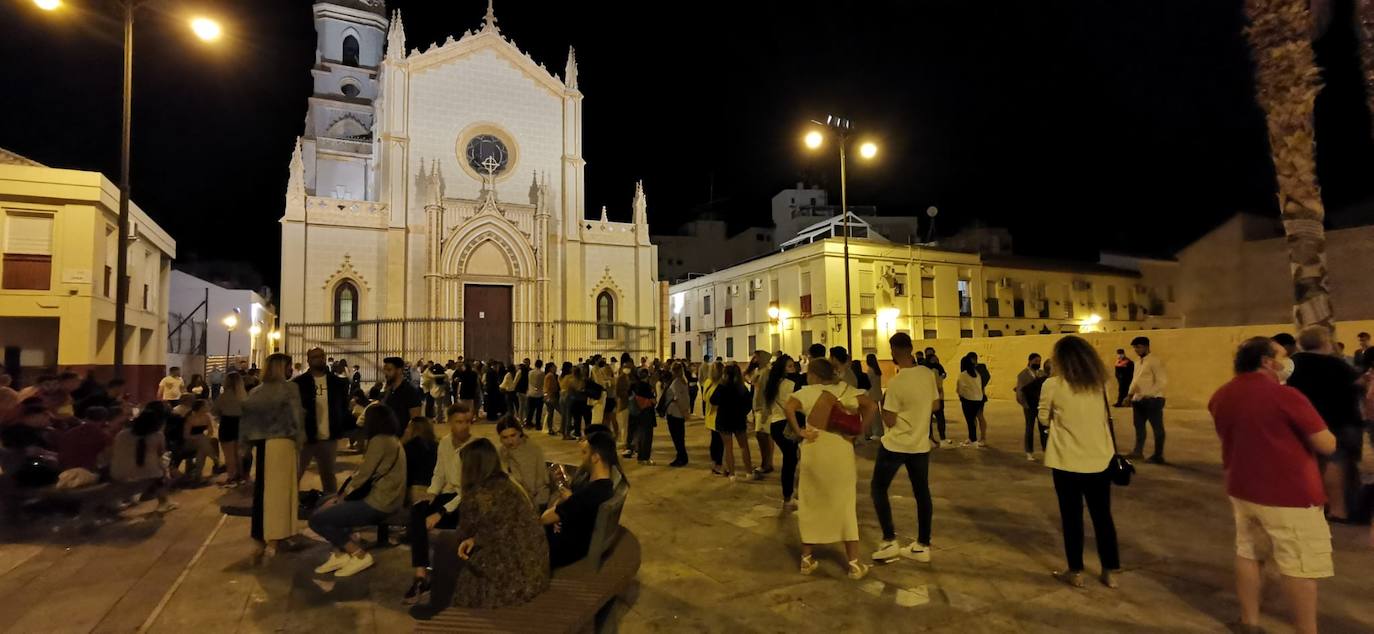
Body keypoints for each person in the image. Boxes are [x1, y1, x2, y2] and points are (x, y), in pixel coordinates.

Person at [1210, 337, 1336, 634]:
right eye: (1282, 355)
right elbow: (1327, 444)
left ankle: (1249, 622)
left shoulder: (1221, 395)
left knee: (1249, 553)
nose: (1286, 360)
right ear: (1267, 361)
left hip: (1242, 488)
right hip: (1290, 494)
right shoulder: (1286, 396)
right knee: (1299, 567)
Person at [417, 437, 553, 610]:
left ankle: (437, 605)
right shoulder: (512, 484)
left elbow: (463, 534)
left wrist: (469, 538)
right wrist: (476, 539)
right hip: (536, 568)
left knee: (446, 544)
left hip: (514, 579)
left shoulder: (476, 495)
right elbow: (505, 526)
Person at [1038, 336, 1120, 589]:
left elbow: (1042, 419)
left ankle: (1076, 571)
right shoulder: (1102, 385)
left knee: (1071, 517)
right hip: (1099, 459)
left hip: (1066, 461)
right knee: (1102, 516)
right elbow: (1109, 416)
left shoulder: (1053, 385)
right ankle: (1110, 571)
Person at [785, 359, 877, 580]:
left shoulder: (807, 391)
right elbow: (872, 406)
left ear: (814, 375)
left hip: (814, 451)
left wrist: (800, 431)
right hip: (840, 451)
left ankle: (807, 559)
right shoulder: (847, 390)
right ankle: (854, 564)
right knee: (845, 503)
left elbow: (789, 407)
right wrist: (858, 432)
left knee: (811, 503)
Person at [310, 405, 407, 578]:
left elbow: (362, 476)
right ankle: (339, 554)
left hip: (379, 503)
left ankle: (358, 554)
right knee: (322, 502)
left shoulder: (380, 441)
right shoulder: (392, 439)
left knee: (317, 520)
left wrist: (340, 499)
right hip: (386, 498)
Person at [871, 333, 939, 563]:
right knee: (922, 493)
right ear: (911, 349)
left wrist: (883, 407)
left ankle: (889, 540)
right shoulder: (927, 374)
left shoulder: (897, 383)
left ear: (893, 351)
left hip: (896, 444)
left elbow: (889, 420)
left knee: (878, 488)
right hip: (920, 444)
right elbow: (936, 404)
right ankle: (922, 545)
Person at [1284, 325, 1363, 523]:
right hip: (1340, 421)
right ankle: (1339, 509)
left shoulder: (1291, 364)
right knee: (1336, 463)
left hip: (1305, 421)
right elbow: (1358, 385)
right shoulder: (1337, 364)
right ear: (1325, 342)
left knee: (1313, 463)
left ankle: (1319, 504)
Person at [404, 403, 473, 604]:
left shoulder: (476, 445)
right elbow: (439, 473)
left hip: (466, 500)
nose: (465, 426)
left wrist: (440, 512)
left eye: (468, 421)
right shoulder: (444, 443)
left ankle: (431, 576)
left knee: (430, 514)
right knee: (418, 509)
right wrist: (431, 494)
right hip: (448, 495)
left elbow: (468, 490)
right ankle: (420, 574)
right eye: (459, 422)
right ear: (450, 423)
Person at [240, 353, 305, 559]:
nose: (290, 370)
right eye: (287, 366)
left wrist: (246, 446)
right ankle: (278, 537)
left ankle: (262, 535)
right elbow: (297, 417)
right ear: (281, 367)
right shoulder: (290, 388)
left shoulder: (256, 392)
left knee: (264, 490)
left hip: (262, 445)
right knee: (282, 493)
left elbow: (247, 421)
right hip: (283, 443)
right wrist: (300, 439)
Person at [541, 431, 620, 568]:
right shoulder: (604, 485)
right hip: (576, 539)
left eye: (584, 453)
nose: (581, 457)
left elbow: (545, 518)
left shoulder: (590, 493)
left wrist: (557, 514)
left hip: (564, 550)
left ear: (595, 457)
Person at [293, 347, 352, 495]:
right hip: (306, 437)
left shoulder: (337, 383)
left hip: (328, 437)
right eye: (315, 356)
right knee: (295, 474)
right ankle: (290, 504)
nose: (319, 359)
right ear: (308, 360)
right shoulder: (299, 383)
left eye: (321, 356)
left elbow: (343, 407)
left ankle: (330, 503)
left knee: (328, 475)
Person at [110, 408, 176, 513]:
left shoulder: (122, 434)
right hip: (146, 473)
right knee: (163, 471)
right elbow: (161, 453)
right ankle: (163, 502)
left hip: (119, 472)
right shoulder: (157, 435)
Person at [762, 356, 799, 508]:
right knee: (790, 461)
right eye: (789, 366)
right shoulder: (790, 385)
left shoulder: (772, 385)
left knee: (790, 458)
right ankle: (788, 497)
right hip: (786, 424)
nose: (793, 369)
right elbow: (794, 407)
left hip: (775, 424)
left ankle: (788, 495)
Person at [1126, 336, 1168, 464]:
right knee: (1139, 427)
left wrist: (1148, 394)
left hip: (1153, 400)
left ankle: (1158, 455)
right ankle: (1138, 452)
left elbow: (1162, 381)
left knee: (1157, 428)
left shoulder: (1155, 361)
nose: (1136, 350)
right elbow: (1135, 380)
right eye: (1134, 348)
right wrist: (1129, 395)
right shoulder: (1137, 362)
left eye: (1138, 347)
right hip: (1138, 399)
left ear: (1146, 346)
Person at [712, 364, 757, 480]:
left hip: (724, 419)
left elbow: (713, 400)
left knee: (728, 447)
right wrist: (742, 413)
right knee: (744, 446)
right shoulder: (742, 388)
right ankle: (749, 472)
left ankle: (732, 474)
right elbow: (749, 403)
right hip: (738, 419)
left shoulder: (722, 387)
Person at [498, 417, 550, 509]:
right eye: (505, 437)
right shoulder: (502, 452)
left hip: (537, 499)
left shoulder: (531, 449)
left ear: (519, 433)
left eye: (513, 435)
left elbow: (535, 484)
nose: (510, 441)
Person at [213, 372, 249, 487]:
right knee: (239, 453)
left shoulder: (224, 396)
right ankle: (241, 476)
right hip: (241, 424)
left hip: (227, 423)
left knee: (229, 455)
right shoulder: (244, 396)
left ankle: (231, 478)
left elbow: (215, 410)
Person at [1015, 353, 1046, 461]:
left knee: (1044, 428)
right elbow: (1019, 391)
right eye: (1036, 361)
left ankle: (1045, 450)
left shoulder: (1042, 373)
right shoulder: (1023, 375)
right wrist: (1024, 403)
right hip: (1029, 404)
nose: (1038, 363)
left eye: (1039, 361)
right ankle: (1029, 451)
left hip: (1041, 404)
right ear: (1030, 361)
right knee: (1030, 428)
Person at [379, 357, 424, 431]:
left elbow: (415, 422)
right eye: (385, 370)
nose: (385, 373)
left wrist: (401, 441)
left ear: (399, 370)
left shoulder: (410, 391)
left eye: (389, 370)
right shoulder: (389, 391)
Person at [402, 415, 439, 502]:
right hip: (434, 489)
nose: (405, 430)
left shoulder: (409, 447)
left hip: (414, 489)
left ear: (414, 430)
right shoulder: (437, 446)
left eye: (408, 427)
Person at [663, 362, 691, 467]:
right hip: (678, 413)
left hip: (675, 413)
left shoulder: (676, 383)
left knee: (677, 438)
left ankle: (682, 457)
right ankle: (681, 456)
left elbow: (679, 400)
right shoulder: (683, 381)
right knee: (680, 437)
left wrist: (684, 412)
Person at [956, 355, 986, 447]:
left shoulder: (963, 374)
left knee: (970, 421)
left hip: (968, 400)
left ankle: (973, 440)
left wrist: (961, 396)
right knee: (975, 419)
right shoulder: (977, 373)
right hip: (978, 399)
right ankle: (972, 438)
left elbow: (960, 389)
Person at [628, 369, 658, 464]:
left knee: (641, 435)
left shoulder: (634, 385)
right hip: (647, 413)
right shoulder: (646, 386)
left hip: (638, 413)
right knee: (647, 437)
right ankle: (645, 458)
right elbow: (653, 401)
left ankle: (640, 457)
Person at [700, 361, 725, 474]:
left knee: (715, 441)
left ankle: (715, 462)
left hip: (710, 416)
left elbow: (705, 399)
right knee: (719, 442)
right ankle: (718, 464)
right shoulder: (721, 384)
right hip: (717, 417)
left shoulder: (707, 382)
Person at [924, 348, 951, 447]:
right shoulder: (932, 368)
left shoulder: (934, 367)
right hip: (934, 397)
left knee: (933, 419)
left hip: (932, 397)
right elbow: (940, 381)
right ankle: (938, 438)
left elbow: (943, 375)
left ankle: (934, 439)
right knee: (934, 418)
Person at [863, 354, 883, 441]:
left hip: (871, 394)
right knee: (877, 413)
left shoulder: (870, 370)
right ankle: (879, 431)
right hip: (877, 393)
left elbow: (868, 383)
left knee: (873, 415)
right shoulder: (877, 370)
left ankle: (876, 431)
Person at [526, 360, 545, 432]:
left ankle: (528, 423)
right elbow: (540, 384)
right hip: (539, 394)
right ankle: (537, 424)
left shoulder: (530, 372)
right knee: (539, 411)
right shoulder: (542, 373)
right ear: (541, 365)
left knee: (530, 410)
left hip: (530, 393)